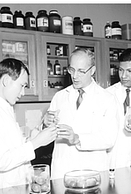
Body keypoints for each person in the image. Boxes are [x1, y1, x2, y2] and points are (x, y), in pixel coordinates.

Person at [0, 58, 57, 191]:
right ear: (6, 81)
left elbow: (12, 147)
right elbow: (1, 161)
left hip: (15, 193)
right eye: (22, 85)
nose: (23, 93)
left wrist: (36, 135)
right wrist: (36, 143)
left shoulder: (4, 110)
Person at [43, 48, 119, 179]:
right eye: (71, 70)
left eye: (81, 71)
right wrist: (45, 125)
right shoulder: (59, 97)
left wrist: (77, 138)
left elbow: (109, 138)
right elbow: (48, 134)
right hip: (62, 171)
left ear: (92, 71)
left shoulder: (107, 99)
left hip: (92, 171)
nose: (74, 76)